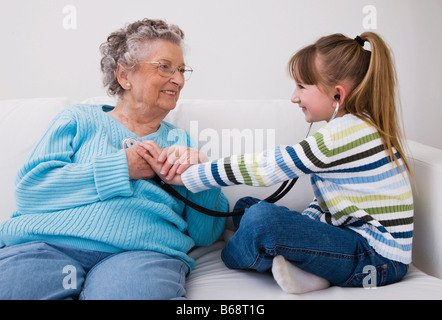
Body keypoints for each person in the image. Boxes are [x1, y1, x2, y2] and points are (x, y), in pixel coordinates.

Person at [139, 32, 414, 294]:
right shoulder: (352, 127)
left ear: (337, 95)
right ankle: (309, 267)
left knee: (261, 220)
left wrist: (190, 176)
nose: (294, 97)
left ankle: (256, 255)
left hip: (378, 262)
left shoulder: (344, 134)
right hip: (352, 241)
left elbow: (268, 167)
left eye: (302, 87)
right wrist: (303, 225)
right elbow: (330, 204)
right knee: (247, 206)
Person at [0, 18, 228, 300]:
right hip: (47, 245)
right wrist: (122, 168)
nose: (179, 80)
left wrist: (203, 175)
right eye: (164, 67)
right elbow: (30, 192)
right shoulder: (78, 119)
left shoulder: (181, 144)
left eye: (181, 70)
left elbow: (204, 234)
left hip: (140, 255)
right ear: (124, 75)